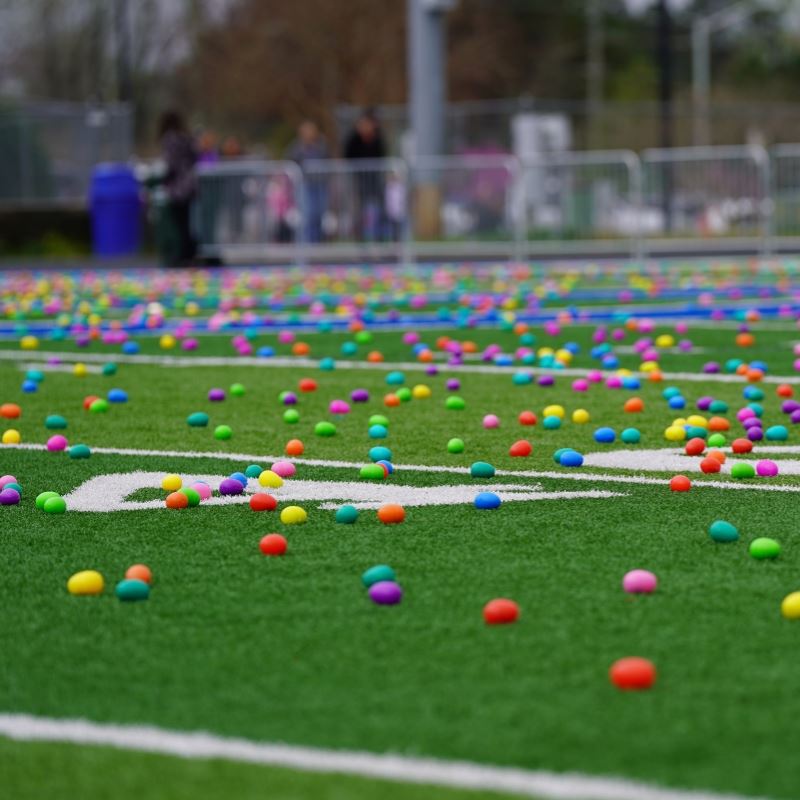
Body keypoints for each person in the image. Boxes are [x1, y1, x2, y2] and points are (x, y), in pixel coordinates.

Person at [158, 110, 198, 266]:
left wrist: (164, 179)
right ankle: (189, 254)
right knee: (186, 222)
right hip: (190, 184)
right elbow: (195, 156)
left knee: (179, 223)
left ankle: (181, 255)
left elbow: (170, 164)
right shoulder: (185, 138)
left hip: (178, 187)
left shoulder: (170, 139)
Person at [344, 109, 387, 241]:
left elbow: (382, 155)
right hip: (359, 180)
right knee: (359, 210)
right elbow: (347, 155)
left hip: (374, 179)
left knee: (379, 208)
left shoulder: (378, 138)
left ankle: (379, 237)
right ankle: (360, 238)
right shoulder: (354, 139)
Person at [287, 120, 329, 243]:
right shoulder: (297, 147)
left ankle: (318, 241)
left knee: (319, 214)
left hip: (320, 184)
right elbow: (290, 161)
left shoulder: (322, 145)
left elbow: (328, 160)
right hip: (305, 184)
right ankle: (305, 242)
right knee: (307, 214)